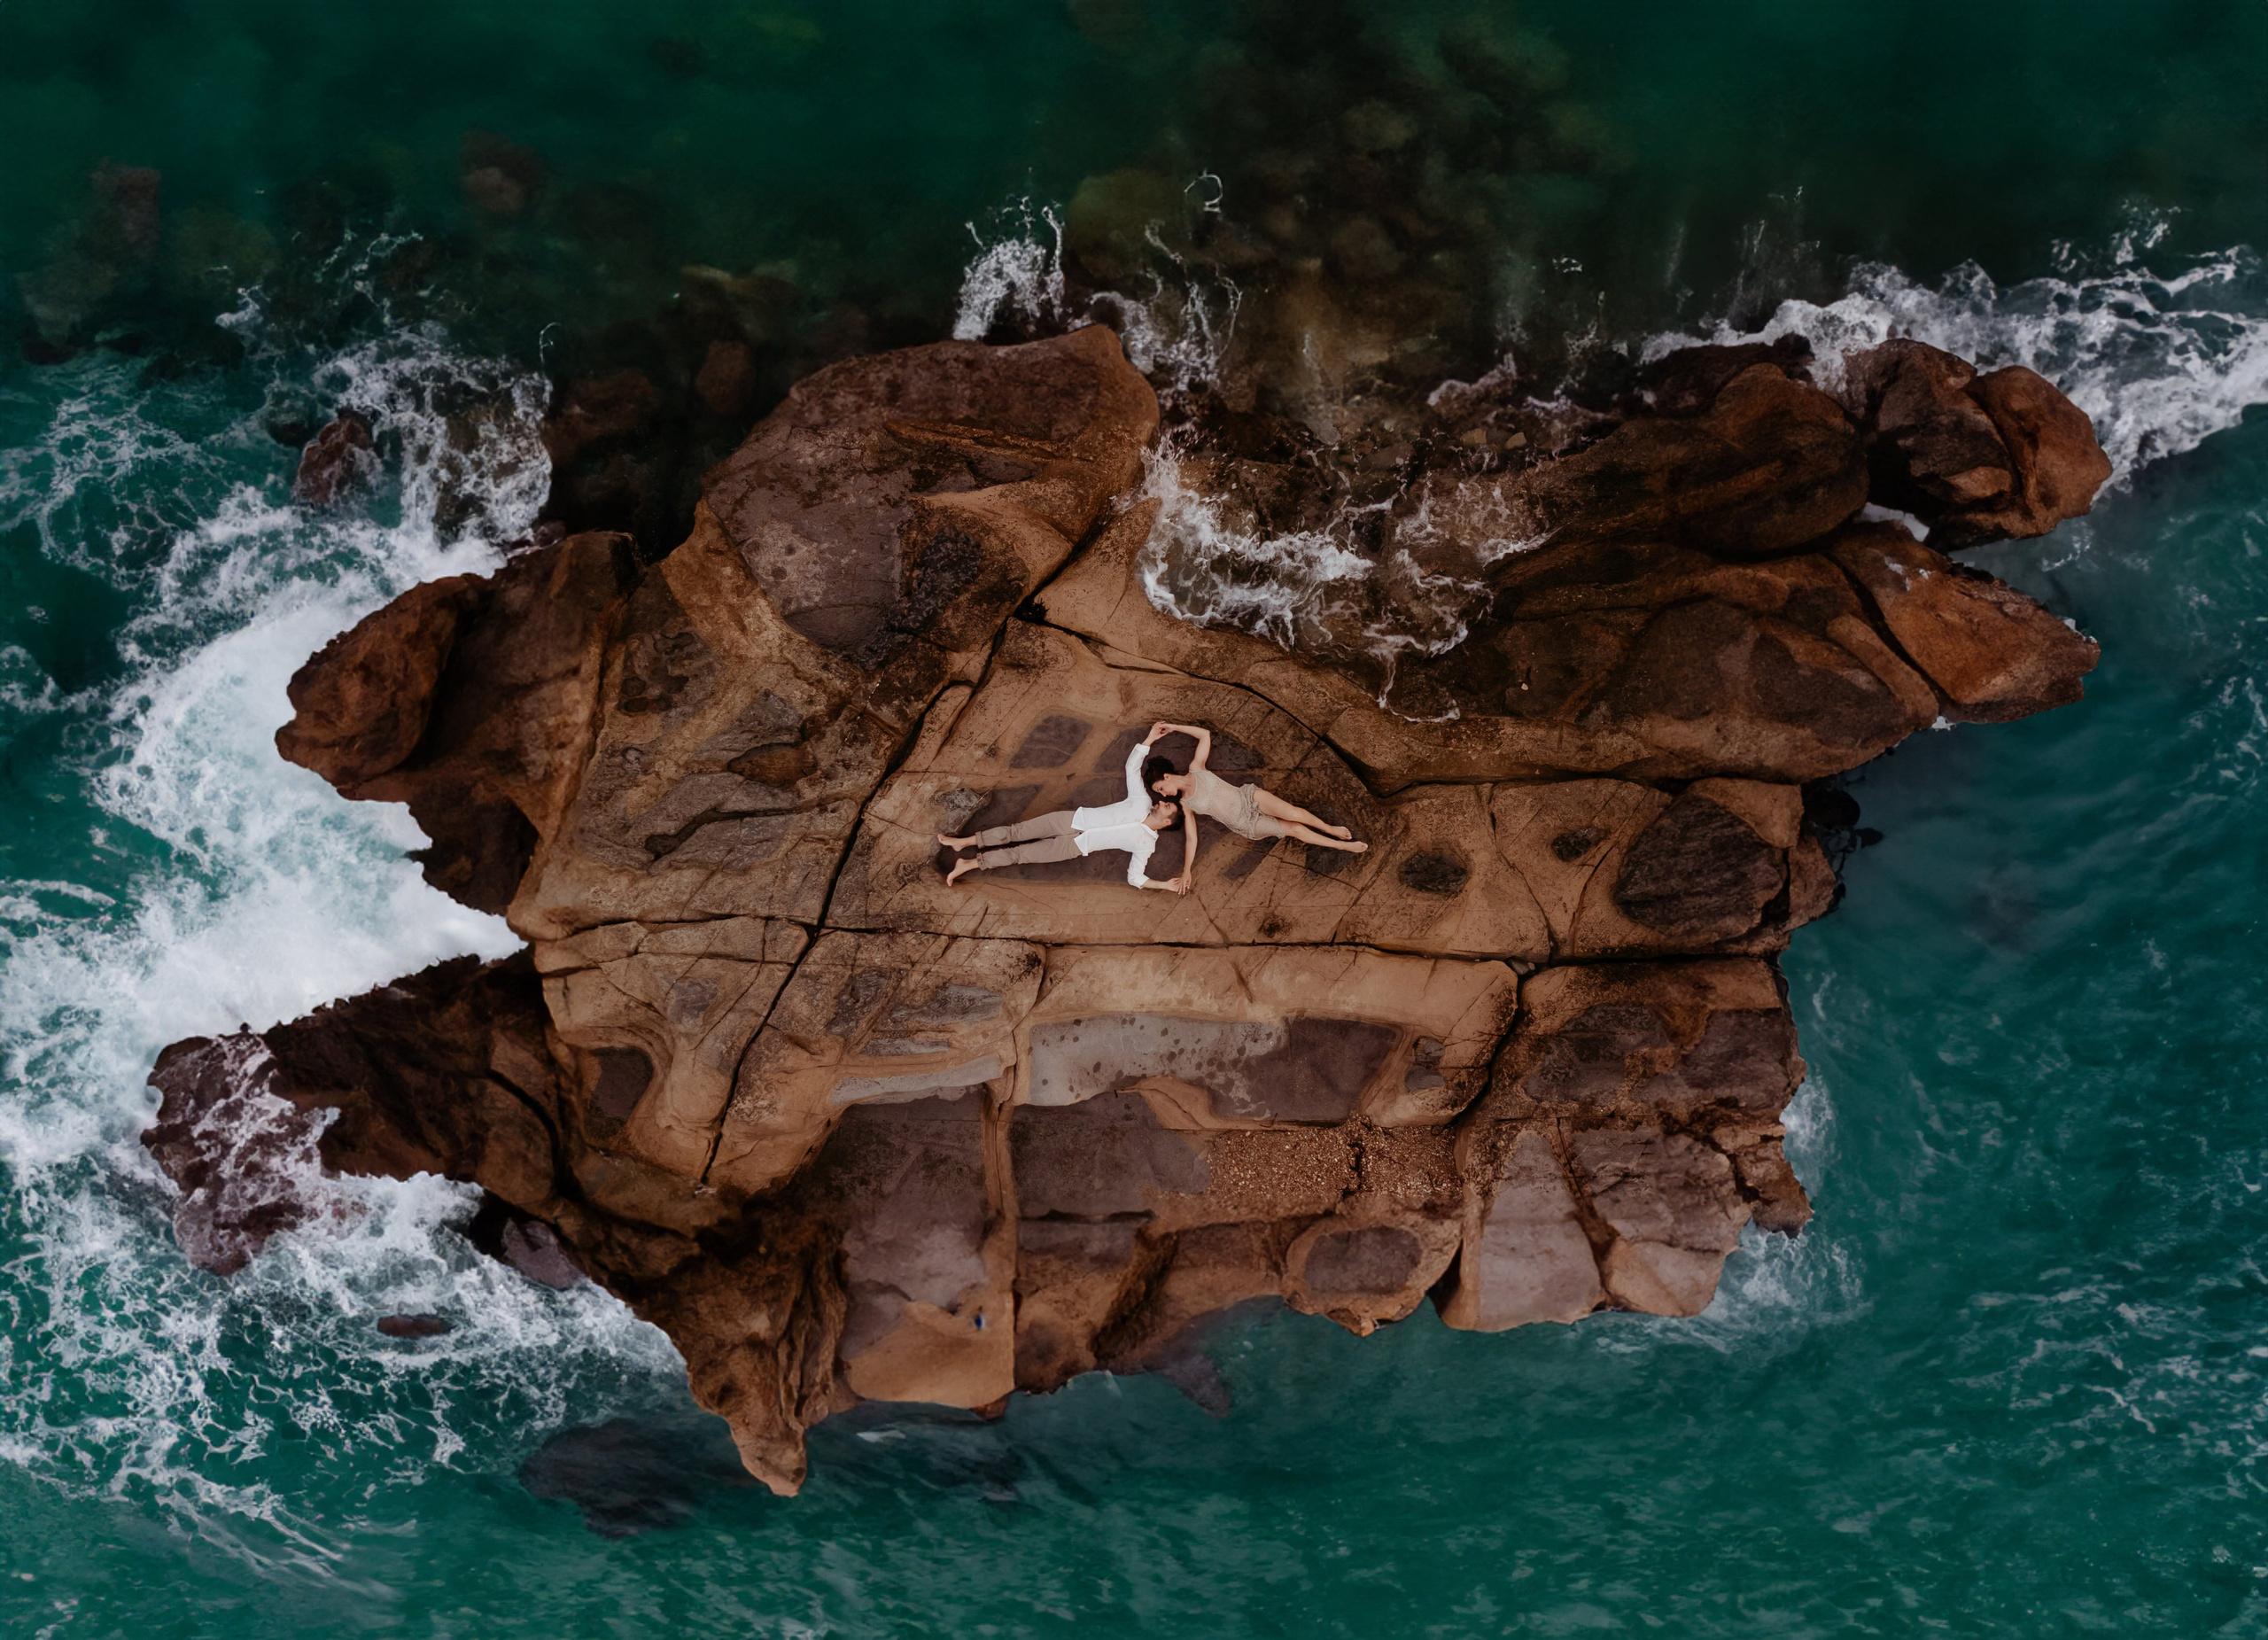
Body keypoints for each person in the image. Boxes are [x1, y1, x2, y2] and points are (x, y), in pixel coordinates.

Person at [938, 724, 1189, 891]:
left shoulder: (1147, 845)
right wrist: (1149, 739)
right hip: (1070, 820)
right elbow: (1131, 768)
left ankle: (969, 865)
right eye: (1165, 800)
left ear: (1168, 822)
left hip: (1073, 847)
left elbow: (1135, 878)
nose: (1160, 801)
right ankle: (965, 842)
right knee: (1016, 832)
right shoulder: (1142, 801)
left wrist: (1164, 885)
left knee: (1019, 855)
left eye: (1166, 806)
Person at [1146, 719, 1366, 888]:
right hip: (1245, 824)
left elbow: (1205, 735)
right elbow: (1191, 840)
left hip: (1248, 798)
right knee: (1295, 829)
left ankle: (1330, 829)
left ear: (1166, 777)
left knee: (1293, 813)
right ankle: (1343, 846)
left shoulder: (1197, 768)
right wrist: (1187, 871)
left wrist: (1173, 726)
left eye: (1160, 789)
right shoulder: (1186, 804)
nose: (1163, 795)